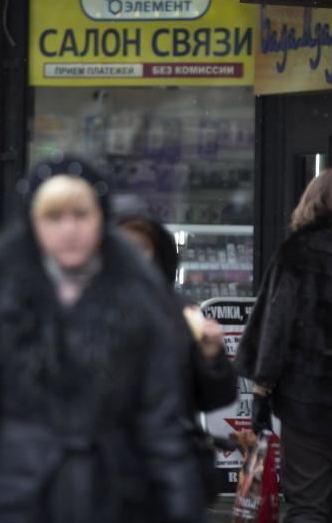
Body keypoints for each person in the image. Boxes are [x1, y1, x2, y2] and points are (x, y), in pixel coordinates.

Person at [0, 156, 203, 523]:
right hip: (17, 496)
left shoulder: (138, 304)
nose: (69, 229)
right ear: (34, 224)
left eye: (81, 215)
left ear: (101, 219)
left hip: (115, 494)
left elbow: (160, 422)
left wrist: (181, 504)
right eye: (54, 217)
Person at [236, 168, 332, 523]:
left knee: (307, 504)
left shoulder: (298, 252)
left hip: (308, 397)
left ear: (312, 203)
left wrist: (261, 392)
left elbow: (275, 326)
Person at [112, 194, 238, 501]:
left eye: (141, 247)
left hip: (164, 473)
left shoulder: (177, 312)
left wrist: (212, 359)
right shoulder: (77, 309)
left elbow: (214, 399)